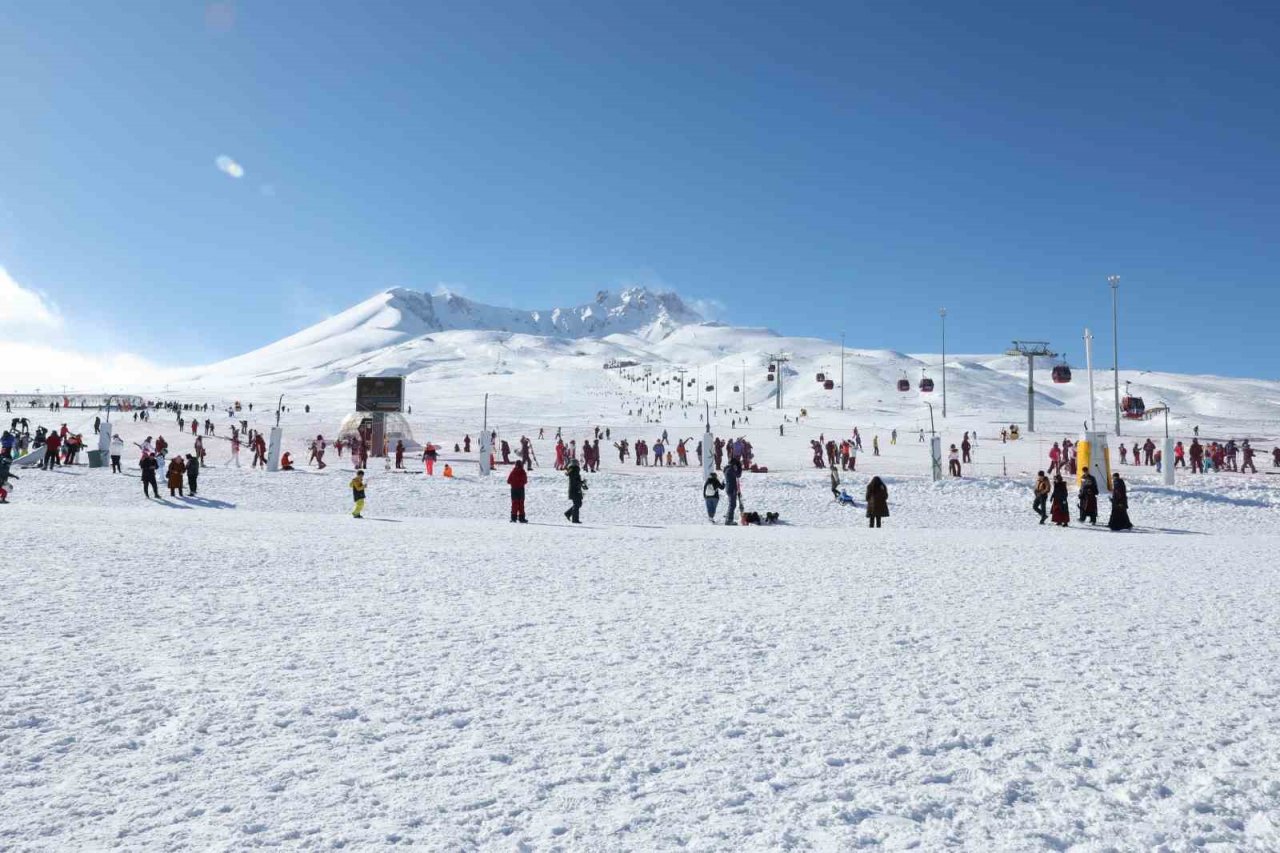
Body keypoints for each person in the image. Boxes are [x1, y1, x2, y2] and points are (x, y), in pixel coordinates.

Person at [563, 457, 585, 524]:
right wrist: (581, 482)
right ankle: (575, 519)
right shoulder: (575, 470)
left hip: (574, 489)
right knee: (577, 504)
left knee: (578, 503)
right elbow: (575, 480)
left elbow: (575, 479)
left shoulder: (572, 470)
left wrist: (581, 482)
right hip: (575, 489)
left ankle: (568, 513)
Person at [723, 457, 742, 525]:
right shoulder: (730, 469)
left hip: (730, 488)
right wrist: (739, 467)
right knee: (732, 505)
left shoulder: (727, 469)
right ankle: (729, 520)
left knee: (731, 504)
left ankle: (728, 519)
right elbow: (738, 475)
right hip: (732, 488)